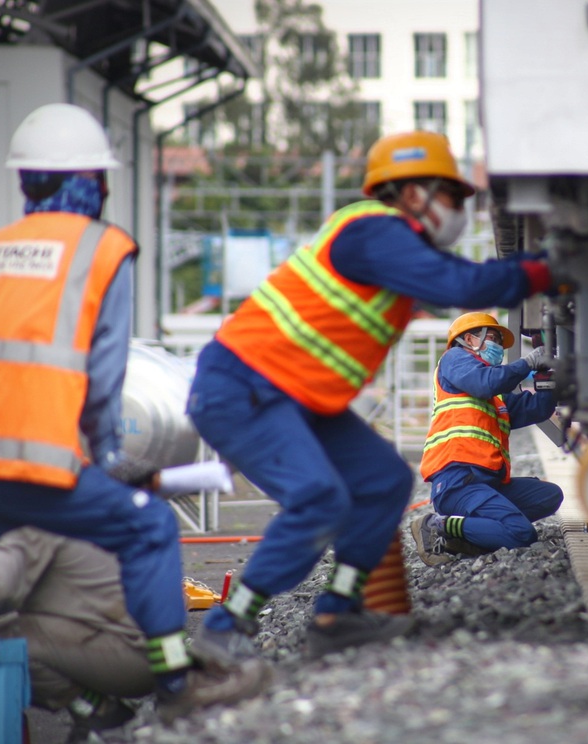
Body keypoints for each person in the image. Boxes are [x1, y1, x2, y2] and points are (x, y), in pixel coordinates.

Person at [185, 130, 554, 662]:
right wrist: (549, 268)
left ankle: (338, 615)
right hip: (244, 386)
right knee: (319, 499)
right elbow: (464, 285)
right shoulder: (372, 231)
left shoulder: (390, 250)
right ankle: (226, 626)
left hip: (294, 396)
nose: (457, 212)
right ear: (412, 194)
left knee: (383, 481)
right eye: (450, 197)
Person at [0, 103, 267, 726]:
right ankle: (177, 680)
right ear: (93, 181)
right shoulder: (102, 249)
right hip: (43, 461)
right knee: (149, 525)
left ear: (26, 181)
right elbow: (103, 377)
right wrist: (104, 457)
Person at [0, 528, 150, 742]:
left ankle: (102, 714)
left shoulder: (27, 523)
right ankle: (104, 712)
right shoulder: (52, 510)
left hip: (130, 652)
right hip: (136, 642)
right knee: (6, 633)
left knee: (1, 644)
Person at [411, 312, 564, 565]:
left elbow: (538, 408)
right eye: (492, 338)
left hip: (487, 483)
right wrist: (527, 363)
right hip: (458, 482)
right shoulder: (454, 359)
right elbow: (486, 382)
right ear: (469, 339)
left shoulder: (496, 399)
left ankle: (472, 534)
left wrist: (547, 376)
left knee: (549, 496)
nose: (497, 347)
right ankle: (438, 525)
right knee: (521, 533)